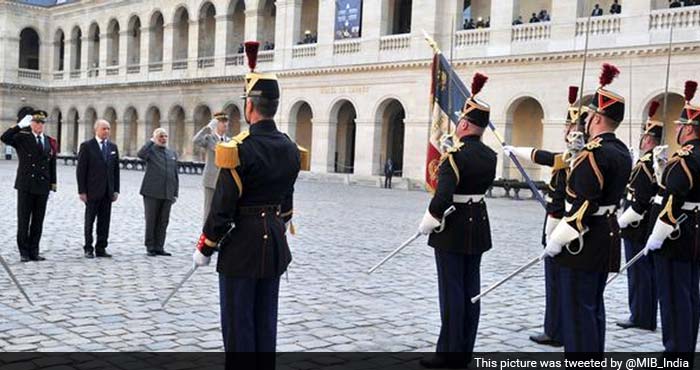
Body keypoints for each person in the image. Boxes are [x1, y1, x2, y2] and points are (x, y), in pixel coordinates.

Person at [192, 41, 306, 364]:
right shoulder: (290, 148)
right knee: (265, 323)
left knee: (239, 325)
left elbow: (223, 206)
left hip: (241, 247)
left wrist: (206, 246)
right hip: (273, 244)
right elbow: (287, 203)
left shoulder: (238, 149)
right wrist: (278, 219)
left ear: (250, 108)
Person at [546, 63, 631, 353]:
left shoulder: (592, 154)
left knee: (578, 313)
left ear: (595, 117)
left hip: (582, 242)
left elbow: (583, 206)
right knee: (593, 307)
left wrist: (557, 239)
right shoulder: (622, 152)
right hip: (606, 236)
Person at [418, 73, 497, 369]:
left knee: (451, 292)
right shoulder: (490, 156)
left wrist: (430, 219)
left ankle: (449, 353)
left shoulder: (453, 157)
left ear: (464, 123)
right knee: (471, 291)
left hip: (452, 228)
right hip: (477, 225)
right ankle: (465, 350)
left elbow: (443, 198)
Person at [503, 86, 584, 348]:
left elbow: (548, 158)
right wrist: (515, 150)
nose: (568, 132)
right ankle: (555, 327)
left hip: (562, 228)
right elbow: (546, 157)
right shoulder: (568, 157)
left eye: (573, 128)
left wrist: (516, 150)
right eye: (568, 127)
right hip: (555, 223)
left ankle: (557, 331)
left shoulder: (576, 158)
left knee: (559, 282)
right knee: (554, 282)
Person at [645, 80, 700, 366]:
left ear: (689, 128)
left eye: (680, 124)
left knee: (674, 297)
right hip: (695, 231)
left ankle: (675, 353)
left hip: (676, 235)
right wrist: (662, 170)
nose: (677, 129)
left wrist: (657, 235)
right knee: (690, 294)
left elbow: (671, 201)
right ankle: (685, 349)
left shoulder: (685, 157)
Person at [615, 102, 663, 331]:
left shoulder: (646, 164)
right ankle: (644, 314)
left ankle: (641, 316)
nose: (641, 140)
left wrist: (618, 223)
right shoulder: (655, 161)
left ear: (649, 139)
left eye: (644, 136)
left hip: (637, 227)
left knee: (639, 274)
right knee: (645, 273)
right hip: (645, 227)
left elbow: (640, 201)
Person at [0, 110, 57, 262]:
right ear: (31, 123)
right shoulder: (22, 138)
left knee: (38, 221)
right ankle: (23, 252)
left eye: (42, 123)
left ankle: (34, 250)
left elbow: (52, 165)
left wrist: (52, 185)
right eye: (36, 122)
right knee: (24, 220)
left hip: (42, 185)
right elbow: (4, 137)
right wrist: (18, 126)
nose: (39, 125)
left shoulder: (49, 141)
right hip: (26, 185)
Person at [77, 119, 120, 259]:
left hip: (107, 191)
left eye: (108, 128)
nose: (106, 131)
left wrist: (116, 190)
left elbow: (116, 171)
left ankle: (101, 247)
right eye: (104, 129)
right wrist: (82, 191)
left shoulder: (113, 147)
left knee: (104, 221)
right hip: (92, 191)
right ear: (96, 130)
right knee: (90, 221)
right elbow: (81, 170)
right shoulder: (87, 146)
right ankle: (88, 247)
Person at [137, 128, 179, 257]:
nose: (163, 138)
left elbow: (174, 174)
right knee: (151, 220)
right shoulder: (151, 151)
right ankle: (150, 246)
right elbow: (141, 154)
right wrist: (151, 141)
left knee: (163, 221)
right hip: (152, 192)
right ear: (155, 138)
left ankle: (159, 246)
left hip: (167, 192)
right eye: (161, 136)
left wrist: (175, 192)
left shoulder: (171, 153)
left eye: (165, 136)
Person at [193, 111, 230, 223]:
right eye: (222, 121)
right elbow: (196, 140)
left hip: (224, 180)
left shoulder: (229, 140)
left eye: (226, 121)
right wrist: (207, 128)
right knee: (208, 209)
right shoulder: (209, 138)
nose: (225, 124)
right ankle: (206, 234)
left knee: (222, 208)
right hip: (211, 179)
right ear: (216, 123)